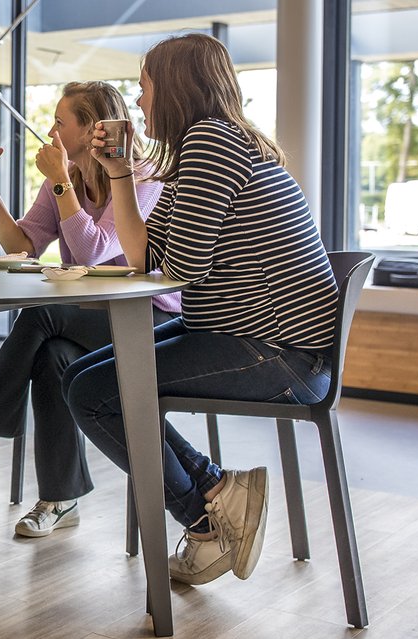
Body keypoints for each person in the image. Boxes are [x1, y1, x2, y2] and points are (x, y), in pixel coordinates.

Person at [66, 33, 339, 585]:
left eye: (144, 88)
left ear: (172, 88)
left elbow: (179, 269)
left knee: (94, 394)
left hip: (278, 354)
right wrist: (119, 172)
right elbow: (147, 255)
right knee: (81, 379)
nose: (139, 104)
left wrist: (125, 185)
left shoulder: (212, 143)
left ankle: (206, 518)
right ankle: (218, 495)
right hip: (248, 339)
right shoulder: (206, 146)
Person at [0, 81, 179, 537]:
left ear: (92, 129)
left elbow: (93, 250)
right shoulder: (68, 180)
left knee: (41, 315)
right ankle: (60, 498)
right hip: (90, 316)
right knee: (53, 356)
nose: (51, 132)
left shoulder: (141, 179)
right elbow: (22, 245)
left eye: (60, 122)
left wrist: (59, 182)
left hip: (149, 319)